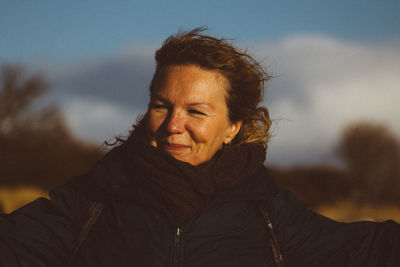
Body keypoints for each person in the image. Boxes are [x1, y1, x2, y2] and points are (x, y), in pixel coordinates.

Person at [1, 28, 399, 267]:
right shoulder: (87, 204)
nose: (174, 126)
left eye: (196, 111)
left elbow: (373, 252)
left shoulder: (272, 217)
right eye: (161, 105)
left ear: (233, 127)